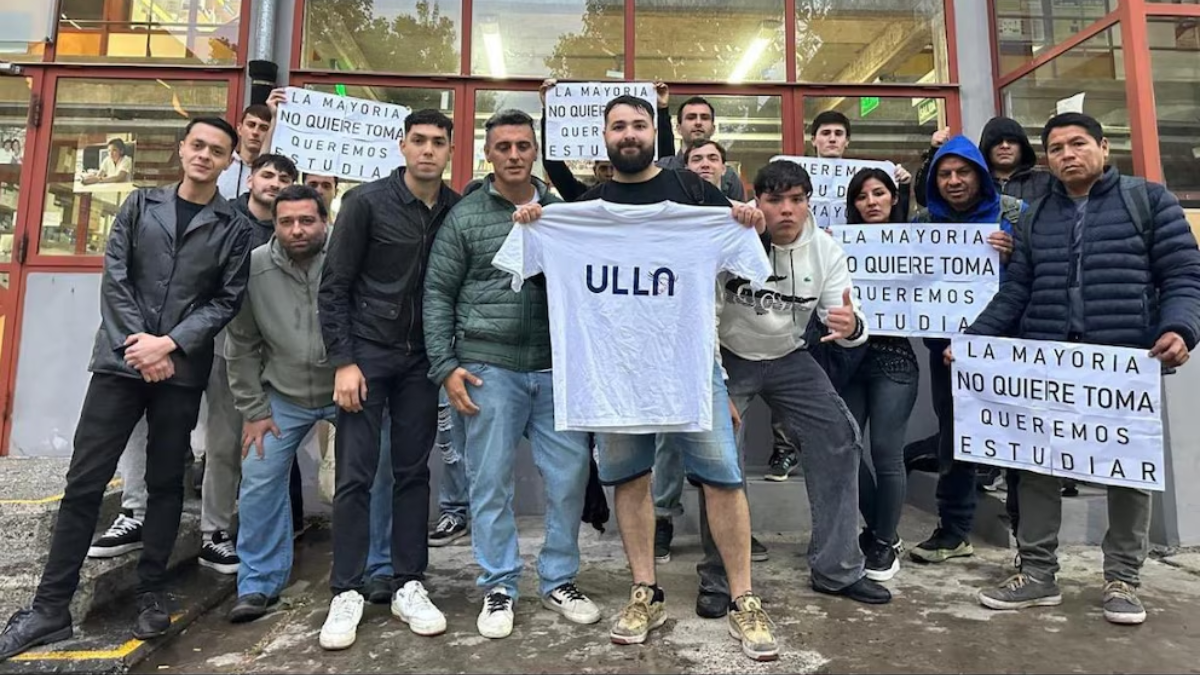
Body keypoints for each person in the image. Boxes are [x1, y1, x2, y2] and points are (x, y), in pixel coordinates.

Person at [513, 94, 777, 661]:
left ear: (654, 131)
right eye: (618, 127)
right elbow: (542, 279)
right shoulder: (583, 208)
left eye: (638, 124)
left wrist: (747, 221)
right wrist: (540, 225)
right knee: (630, 478)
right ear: (604, 137)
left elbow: (745, 259)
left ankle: (744, 600)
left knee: (724, 478)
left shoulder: (694, 193)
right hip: (613, 369)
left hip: (689, 364)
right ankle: (644, 589)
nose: (629, 134)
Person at [0, 118, 251, 661]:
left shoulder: (233, 226)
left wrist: (169, 346)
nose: (205, 156)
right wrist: (139, 345)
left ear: (230, 162)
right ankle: (49, 608)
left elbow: (225, 299)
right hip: (118, 364)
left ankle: (150, 591)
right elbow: (115, 276)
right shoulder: (140, 204)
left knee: (165, 483)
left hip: (179, 372)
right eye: (198, 145)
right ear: (182, 149)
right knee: (85, 481)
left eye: (218, 151)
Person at [956, 112, 1200, 625]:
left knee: (1128, 471)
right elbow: (1017, 288)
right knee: (1037, 465)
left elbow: (1182, 273)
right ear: (1046, 159)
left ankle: (1122, 579)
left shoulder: (1148, 201)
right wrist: (976, 339)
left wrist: (1181, 328)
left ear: (1104, 147)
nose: (1068, 154)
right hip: (1049, 359)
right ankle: (1039, 573)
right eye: (1057, 148)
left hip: (1125, 360)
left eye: (1078, 143)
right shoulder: (1037, 214)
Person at [424, 109, 599, 640]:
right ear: (488, 153)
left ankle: (558, 579)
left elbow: (593, 283)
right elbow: (437, 293)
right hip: (486, 368)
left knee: (569, 479)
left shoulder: (562, 213)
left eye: (524, 145)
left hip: (554, 369)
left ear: (536, 151)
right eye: (504, 147)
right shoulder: (465, 216)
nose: (515, 154)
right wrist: (445, 367)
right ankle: (499, 584)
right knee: (489, 482)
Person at [709, 158, 890, 611]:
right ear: (757, 200)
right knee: (715, 451)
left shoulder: (825, 249)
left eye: (797, 200)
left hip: (789, 355)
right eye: (775, 200)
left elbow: (847, 314)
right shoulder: (730, 238)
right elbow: (704, 314)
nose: (786, 210)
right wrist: (714, 381)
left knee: (839, 436)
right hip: (730, 356)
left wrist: (850, 328)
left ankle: (837, 569)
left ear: (809, 203)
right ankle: (721, 580)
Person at [316, 109, 459, 650]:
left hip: (423, 361)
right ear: (403, 146)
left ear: (449, 151)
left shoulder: (455, 208)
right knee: (355, 475)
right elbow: (334, 288)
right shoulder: (365, 203)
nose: (427, 150)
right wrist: (344, 361)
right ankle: (346, 591)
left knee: (412, 474)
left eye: (438, 142)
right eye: (418, 141)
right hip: (368, 358)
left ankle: (408, 583)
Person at [907, 134, 1021, 566]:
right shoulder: (921, 226)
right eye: (945, 174)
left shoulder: (1013, 216)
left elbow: (1037, 275)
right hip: (948, 352)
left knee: (1014, 442)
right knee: (953, 440)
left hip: (1004, 349)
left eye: (963, 172)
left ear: (980, 174)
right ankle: (954, 531)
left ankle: (1026, 539)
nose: (954, 181)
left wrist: (1013, 256)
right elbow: (904, 281)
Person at [224, 184, 332, 622]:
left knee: (374, 473)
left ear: (324, 221)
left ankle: (374, 570)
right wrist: (254, 410)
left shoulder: (346, 259)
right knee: (260, 477)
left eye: (307, 220)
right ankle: (258, 584)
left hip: (345, 391)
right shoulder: (253, 269)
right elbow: (242, 344)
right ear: (274, 224)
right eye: (286, 222)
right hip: (282, 395)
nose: (297, 230)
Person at [839, 168, 920, 582]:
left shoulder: (921, 241)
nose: (871, 201)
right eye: (862, 196)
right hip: (850, 359)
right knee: (847, 450)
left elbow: (957, 279)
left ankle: (884, 542)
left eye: (879, 193)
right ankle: (880, 530)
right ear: (852, 204)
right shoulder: (837, 245)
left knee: (887, 452)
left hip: (894, 359)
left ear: (893, 198)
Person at [657, 96, 746, 201]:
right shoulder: (662, 168)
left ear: (713, 129)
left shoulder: (729, 176)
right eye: (691, 117)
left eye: (704, 118)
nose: (698, 122)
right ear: (678, 129)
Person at [218, 104, 272, 200]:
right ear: (239, 128)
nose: (255, 132)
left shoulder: (273, 174)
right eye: (251, 125)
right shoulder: (221, 164)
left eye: (263, 128)